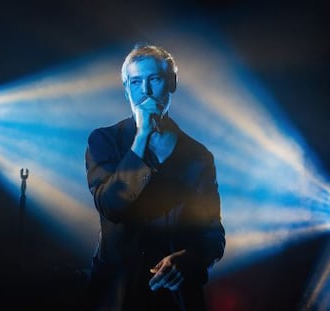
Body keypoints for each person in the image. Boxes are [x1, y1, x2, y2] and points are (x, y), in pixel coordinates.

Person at [85, 44, 225, 311]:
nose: (145, 91)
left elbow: (212, 233)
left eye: (154, 79)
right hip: (119, 294)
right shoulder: (104, 140)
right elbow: (111, 205)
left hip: (175, 296)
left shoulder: (198, 156)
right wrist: (141, 138)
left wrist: (190, 260)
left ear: (171, 83)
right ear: (126, 89)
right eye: (135, 82)